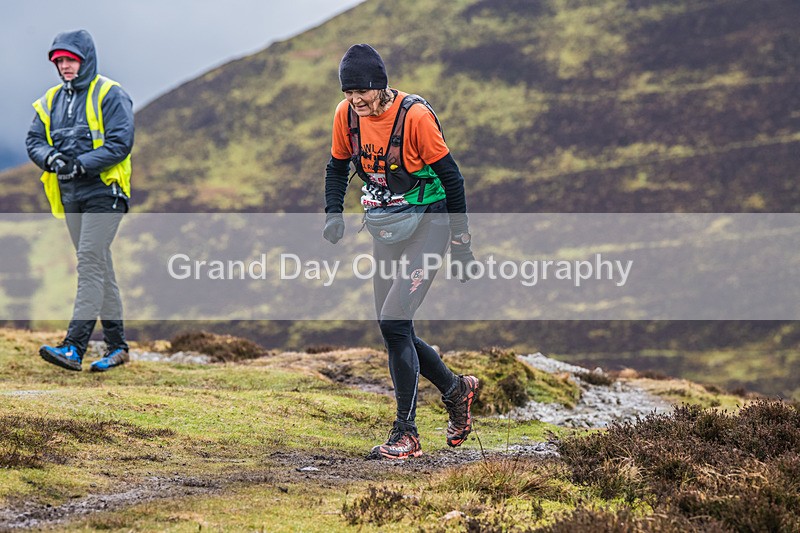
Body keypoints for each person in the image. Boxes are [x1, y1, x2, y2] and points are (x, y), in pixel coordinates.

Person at [323, 44, 480, 459]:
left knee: (394, 322)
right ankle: (456, 389)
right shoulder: (346, 117)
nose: (355, 99)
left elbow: (453, 178)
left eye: (362, 91)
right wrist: (332, 214)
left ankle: (406, 434)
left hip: (431, 222)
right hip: (388, 225)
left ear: (380, 85)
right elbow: (338, 166)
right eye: (347, 92)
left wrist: (462, 245)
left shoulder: (415, 118)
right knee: (395, 327)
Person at [26, 29, 134, 372]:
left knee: (89, 261)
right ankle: (117, 348)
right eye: (59, 61)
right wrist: (52, 160)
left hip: (105, 193)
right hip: (71, 196)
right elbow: (33, 139)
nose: (64, 66)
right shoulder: (50, 100)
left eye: (70, 59)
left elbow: (120, 142)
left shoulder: (110, 93)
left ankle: (73, 346)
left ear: (85, 60)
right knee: (100, 266)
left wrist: (80, 164)